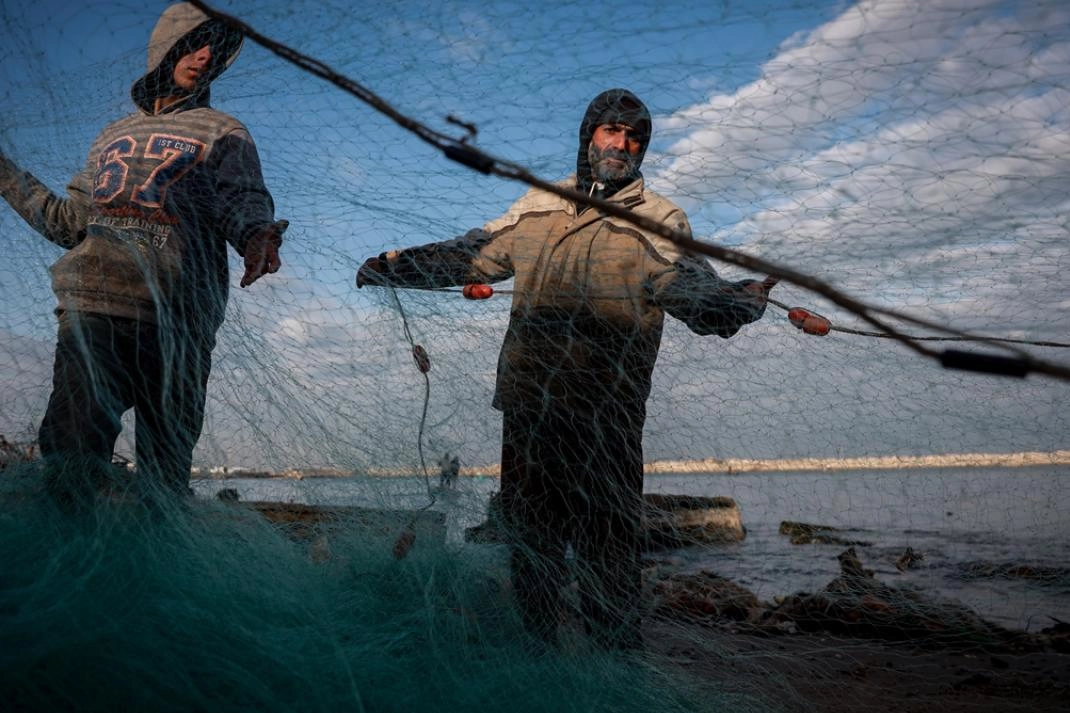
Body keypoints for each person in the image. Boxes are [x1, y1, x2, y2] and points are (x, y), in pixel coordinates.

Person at [357, 88, 777, 649]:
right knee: (533, 542)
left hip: (608, 412)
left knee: (610, 546)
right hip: (530, 404)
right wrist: (395, 267)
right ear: (589, 136)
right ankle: (540, 657)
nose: (621, 144)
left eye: (633, 137)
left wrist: (738, 302)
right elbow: (473, 253)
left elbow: (695, 297)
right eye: (611, 131)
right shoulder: (539, 203)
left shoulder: (659, 218)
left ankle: (617, 665)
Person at [0, 3, 285, 506]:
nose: (203, 57)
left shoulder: (224, 129)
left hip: (181, 316)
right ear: (166, 48)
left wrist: (257, 234)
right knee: (71, 457)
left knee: (165, 474)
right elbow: (69, 224)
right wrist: (6, 176)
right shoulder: (110, 135)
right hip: (94, 310)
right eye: (194, 44)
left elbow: (241, 199)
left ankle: (153, 572)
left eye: (214, 51)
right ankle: (74, 567)